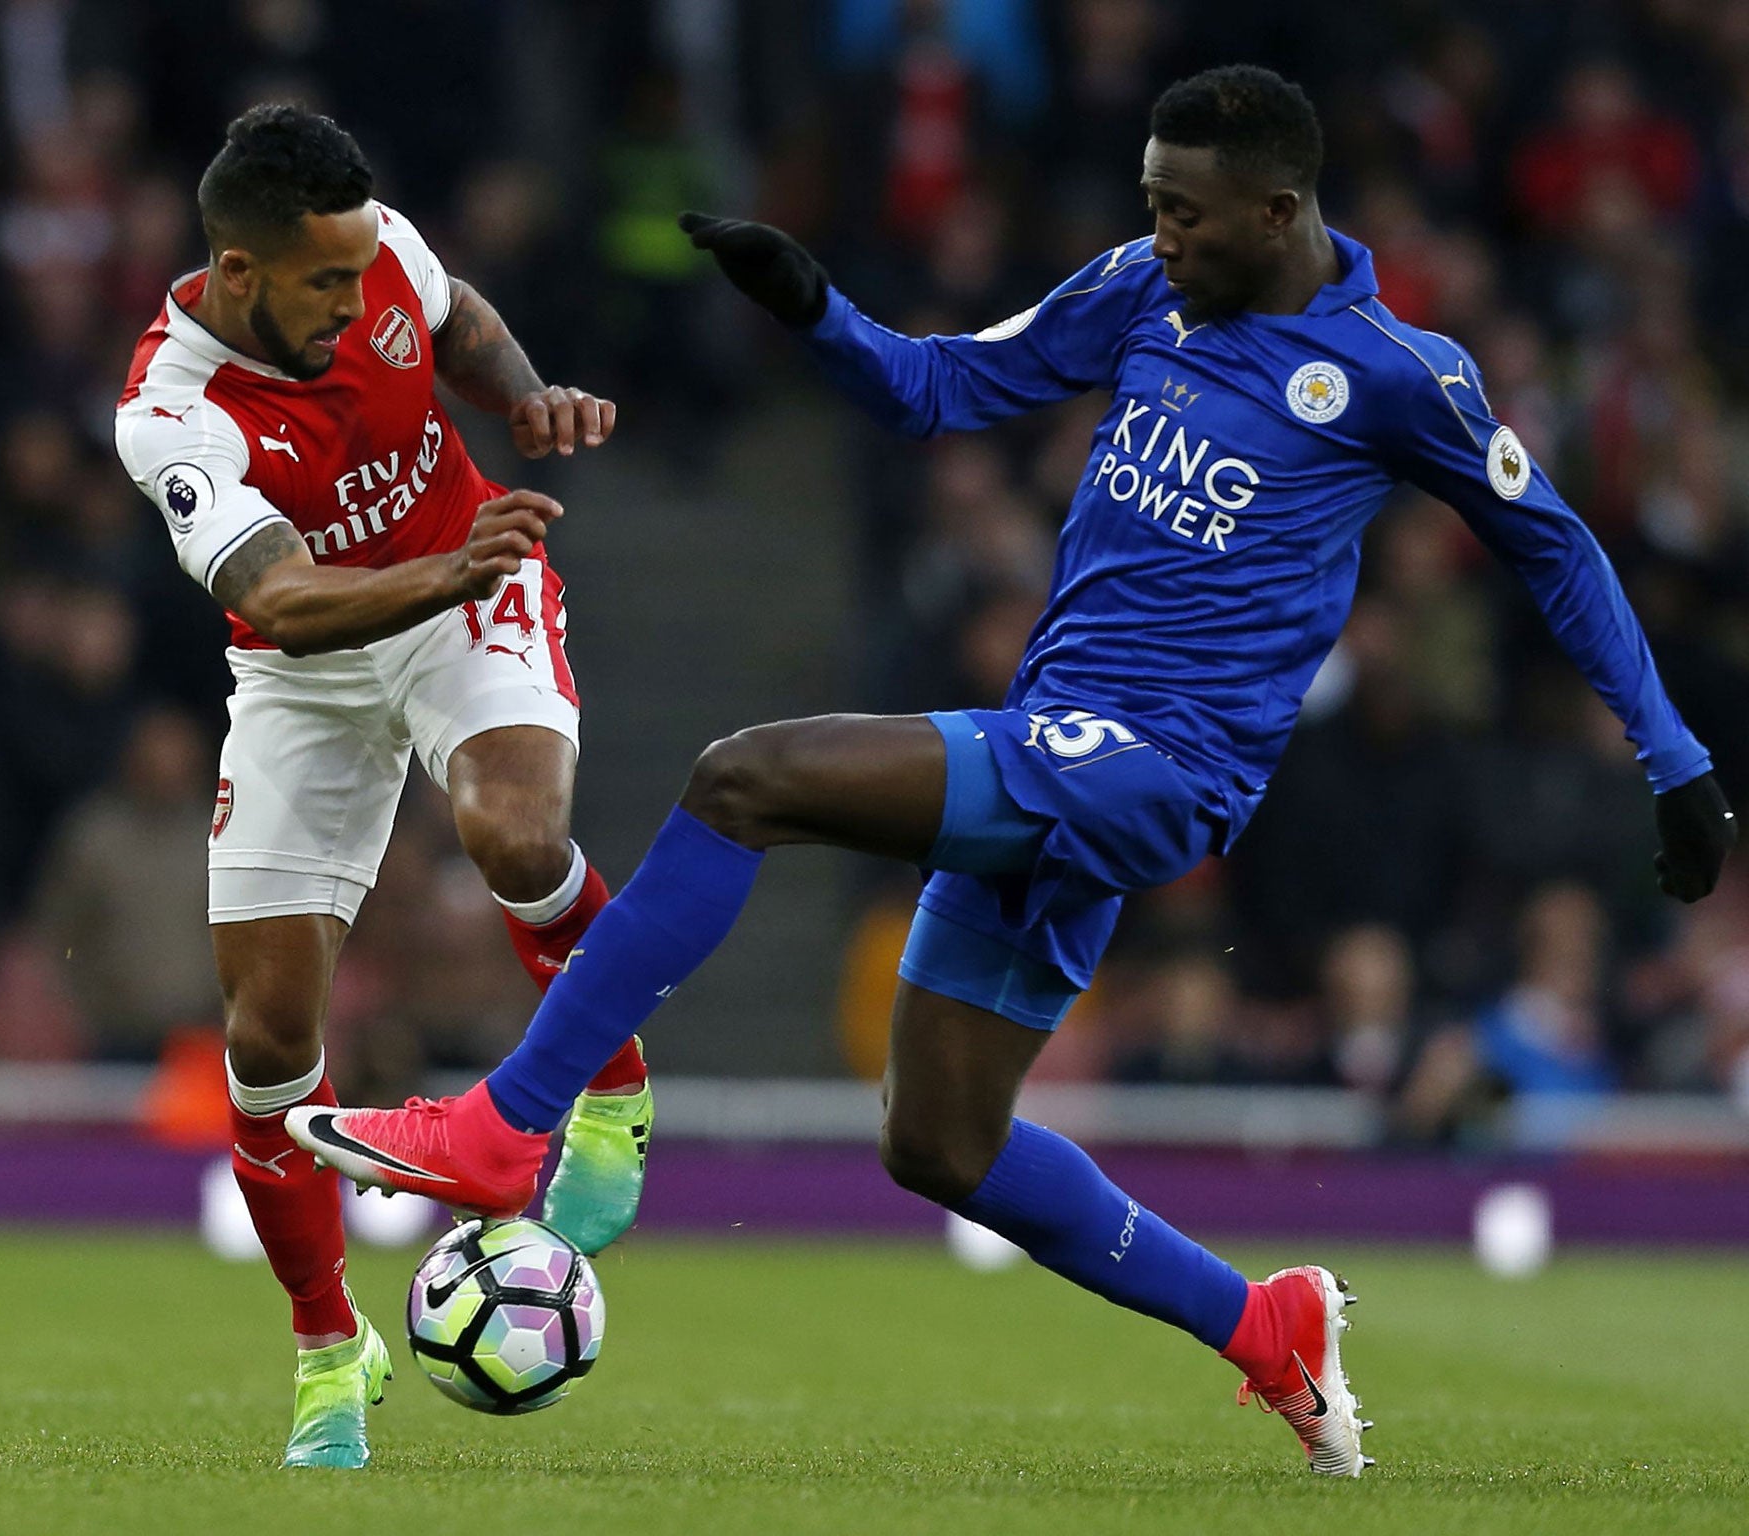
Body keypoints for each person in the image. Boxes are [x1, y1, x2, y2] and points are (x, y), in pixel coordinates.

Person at [290, 67, 1738, 1476]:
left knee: (745, 777)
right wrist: (814, 306)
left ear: (1283, 209)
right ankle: (1266, 1324)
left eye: (1188, 214)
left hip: (1157, 769)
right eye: (1152, 204)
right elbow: (938, 390)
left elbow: (1557, 546)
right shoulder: (1140, 289)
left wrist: (1669, 757)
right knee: (939, 1143)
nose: (1161, 236)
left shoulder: (1397, 377)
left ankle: (500, 1129)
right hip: (1063, 739)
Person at [112, 105, 651, 1470]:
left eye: (363, 271)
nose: (358, 302)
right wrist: (445, 571)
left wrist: (519, 392)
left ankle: (611, 1085)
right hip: (315, 660)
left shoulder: (370, 252)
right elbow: (285, 603)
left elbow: (454, 310)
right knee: (267, 1046)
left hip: (462, 599)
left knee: (516, 831)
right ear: (239, 274)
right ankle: (325, 1344)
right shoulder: (169, 410)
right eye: (326, 284)